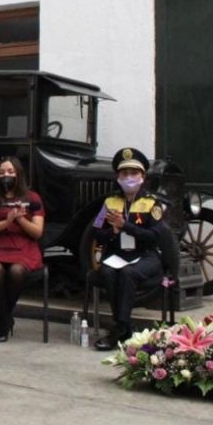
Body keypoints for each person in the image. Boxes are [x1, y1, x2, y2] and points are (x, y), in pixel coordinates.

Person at [93, 147, 164, 351]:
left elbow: (155, 237)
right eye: (125, 174)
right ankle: (124, 327)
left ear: (143, 176)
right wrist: (113, 232)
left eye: (134, 173)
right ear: (118, 177)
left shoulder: (151, 203)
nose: (129, 177)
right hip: (118, 255)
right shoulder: (109, 202)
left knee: (127, 273)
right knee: (107, 271)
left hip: (146, 256)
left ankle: (120, 328)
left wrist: (127, 226)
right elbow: (97, 232)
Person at [0, 156, 45, 342]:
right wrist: (6, 222)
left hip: (24, 246)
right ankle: (7, 319)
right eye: (2, 172)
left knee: (17, 271)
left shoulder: (33, 198)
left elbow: (37, 232)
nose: (6, 175)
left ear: (19, 174)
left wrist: (20, 219)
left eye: (10, 172)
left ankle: (2, 322)